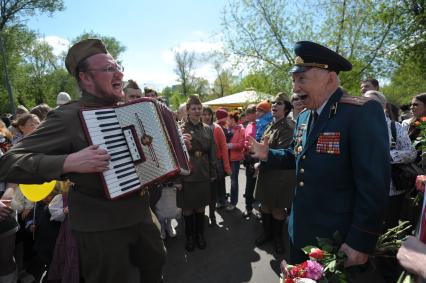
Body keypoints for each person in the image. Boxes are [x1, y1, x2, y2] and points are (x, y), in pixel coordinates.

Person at [0, 39, 166, 283]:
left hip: (141, 213)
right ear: (86, 78)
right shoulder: (68, 116)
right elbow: (8, 162)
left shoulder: (129, 109)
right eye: (110, 68)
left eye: (118, 67)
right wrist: (68, 162)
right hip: (101, 226)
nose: (120, 72)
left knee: (154, 269)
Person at [248, 41, 389, 267]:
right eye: (294, 80)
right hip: (298, 231)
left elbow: (374, 185)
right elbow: (298, 157)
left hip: (334, 241)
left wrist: (360, 241)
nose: (295, 88)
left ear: (330, 78)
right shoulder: (304, 117)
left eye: (302, 79)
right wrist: (268, 154)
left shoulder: (360, 113)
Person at [254, 92, 295, 254]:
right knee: (265, 205)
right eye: (273, 103)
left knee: (277, 209)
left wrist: (263, 156)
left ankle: (278, 238)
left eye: (279, 103)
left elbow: (282, 152)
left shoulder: (288, 127)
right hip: (266, 172)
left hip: (280, 175)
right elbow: (266, 147)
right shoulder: (271, 124)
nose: (274, 106)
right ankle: (267, 233)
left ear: (286, 108)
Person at [178, 95, 216, 252]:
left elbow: (213, 151)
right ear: (187, 110)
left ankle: (200, 234)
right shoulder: (179, 129)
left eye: (199, 108)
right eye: (193, 108)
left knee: (200, 207)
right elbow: (174, 154)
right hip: (186, 173)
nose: (197, 111)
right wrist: (176, 179)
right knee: (187, 208)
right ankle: (190, 236)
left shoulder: (208, 128)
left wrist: (213, 171)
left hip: (203, 172)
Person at [201, 106, 231, 226]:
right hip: (202, 164)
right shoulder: (199, 128)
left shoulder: (217, 128)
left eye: (209, 114)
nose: (207, 117)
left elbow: (224, 148)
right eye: (204, 114)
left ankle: (213, 213)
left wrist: (227, 167)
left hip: (215, 163)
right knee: (204, 191)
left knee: (215, 189)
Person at [226, 111, 245, 211]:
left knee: (233, 181)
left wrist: (230, 146)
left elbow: (241, 145)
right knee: (227, 179)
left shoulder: (241, 130)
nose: (227, 121)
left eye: (229, 119)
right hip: (227, 158)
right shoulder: (228, 129)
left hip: (235, 159)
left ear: (234, 120)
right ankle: (225, 199)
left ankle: (233, 202)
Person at [242, 105, 257, 217]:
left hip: (258, 156)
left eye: (248, 113)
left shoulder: (262, 125)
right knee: (249, 183)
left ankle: (259, 208)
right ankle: (248, 207)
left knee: (259, 183)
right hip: (249, 157)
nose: (246, 116)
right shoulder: (248, 125)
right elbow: (245, 140)